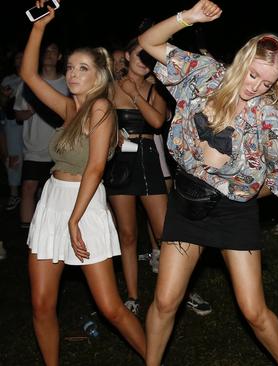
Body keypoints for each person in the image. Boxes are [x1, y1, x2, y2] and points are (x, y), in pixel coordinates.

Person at [138, 1, 278, 365]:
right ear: (242, 62)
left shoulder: (270, 118)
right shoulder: (205, 74)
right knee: (164, 302)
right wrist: (187, 18)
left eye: (267, 82)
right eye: (253, 75)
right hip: (186, 201)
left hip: (233, 213)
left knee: (253, 311)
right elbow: (148, 41)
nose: (256, 86)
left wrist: (250, 190)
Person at [20, 3, 146, 364]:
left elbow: (93, 169)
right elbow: (29, 75)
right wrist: (40, 28)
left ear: (99, 76)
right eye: (70, 67)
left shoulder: (100, 109)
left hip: (85, 205)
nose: (73, 74)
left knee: (110, 308)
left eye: (83, 69)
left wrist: (74, 220)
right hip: (52, 202)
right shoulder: (68, 108)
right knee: (41, 305)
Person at [104, 38, 168, 316]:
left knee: (166, 234)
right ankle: (132, 295)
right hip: (120, 163)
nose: (144, 61)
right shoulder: (109, 89)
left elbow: (156, 122)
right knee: (128, 235)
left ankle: (171, 292)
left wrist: (135, 95)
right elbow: (95, 121)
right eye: (139, 55)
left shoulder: (156, 89)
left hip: (148, 158)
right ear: (128, 56)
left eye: (148, 57)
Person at [14, 40, 67, 229]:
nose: (49, 54)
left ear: (60, 57)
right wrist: (29, 112)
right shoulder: (29, 83)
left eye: (54, 51)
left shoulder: (68, 82)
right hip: (33, 146)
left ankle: (52, 227)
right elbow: (17, 113)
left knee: (54, 190)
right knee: (29, 187)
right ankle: (25, 228)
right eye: (46, 51)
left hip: (60, 147)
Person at [1, 51, 24, 212]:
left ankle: (37, 192)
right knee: (13, 157)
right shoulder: (8, 80)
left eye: (23, 56)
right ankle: (14, 193)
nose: (20, 59)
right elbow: (2, 103)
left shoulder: (34, 78)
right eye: (17, 57)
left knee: (33, 155)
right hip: (12, 122)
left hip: (33, 122)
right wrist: (5, 96)